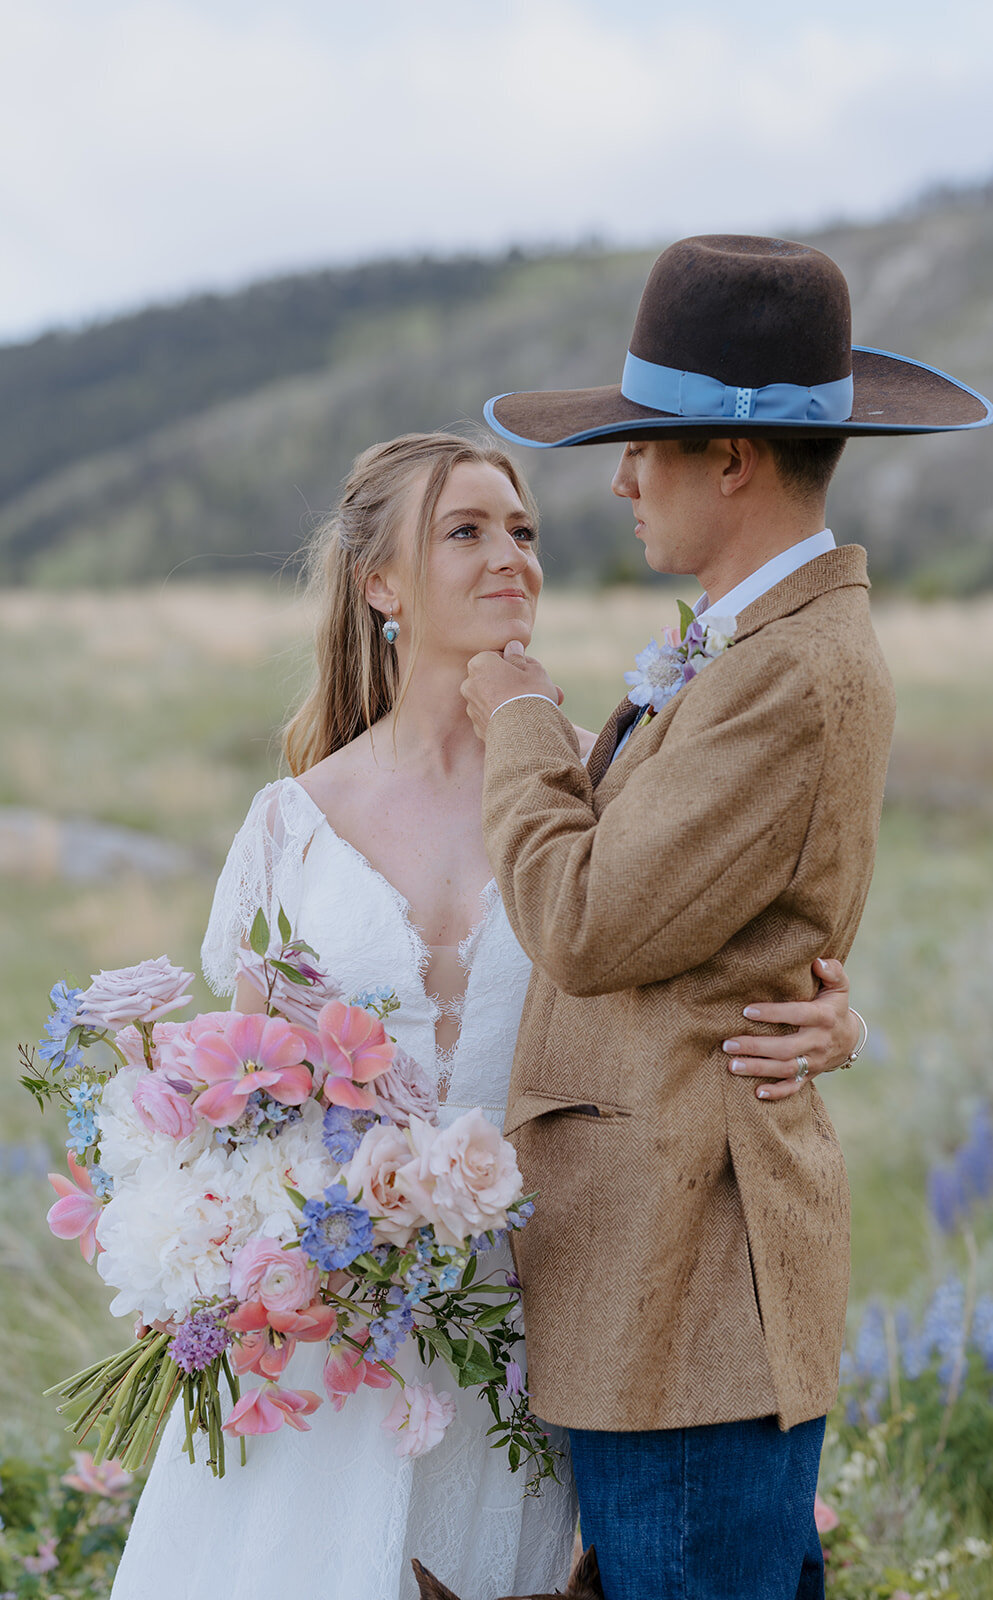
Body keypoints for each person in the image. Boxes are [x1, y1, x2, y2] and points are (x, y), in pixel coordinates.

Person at [110, 431, 862, 1600]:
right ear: (380, 585)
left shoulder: (603, 784)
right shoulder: (290, 825)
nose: (510, 554)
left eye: (523, 530)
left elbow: (708, 940)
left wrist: (832, 1020)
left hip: (554, 1312)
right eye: (464, 530)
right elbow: (235, 1099)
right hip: (338, 1331)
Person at [462, 235, 993, 1600]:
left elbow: (584, 920)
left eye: (645, 449)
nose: (623, 479)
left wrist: (518, 716)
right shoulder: (748, 646)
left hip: (689, 1305)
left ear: (731, 460)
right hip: (655, 1293)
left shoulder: (789, 671)